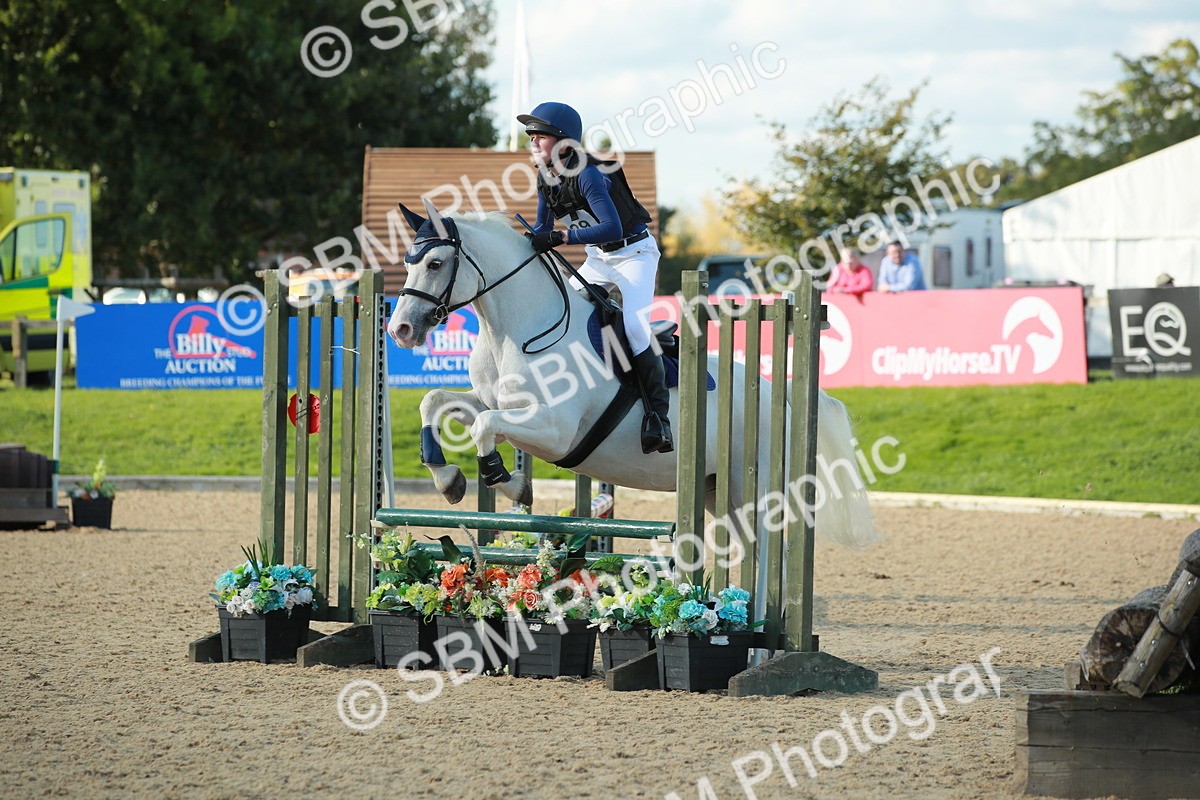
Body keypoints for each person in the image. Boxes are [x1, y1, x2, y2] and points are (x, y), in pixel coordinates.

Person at [517, 101, 672, 455]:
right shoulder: (546, 177)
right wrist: (532, 240)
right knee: (561, 311)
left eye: (539, 137)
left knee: (634, 328)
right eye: (531, 138)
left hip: (633, 255)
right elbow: (542, 228)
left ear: (563, 143)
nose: (532, 144)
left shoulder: (586, 173)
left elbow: (611, 226)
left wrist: (560, 238)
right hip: (599, 260)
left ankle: (658, 418)